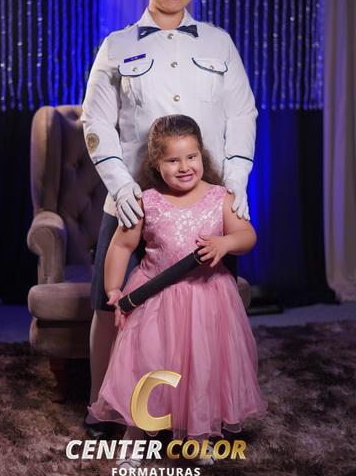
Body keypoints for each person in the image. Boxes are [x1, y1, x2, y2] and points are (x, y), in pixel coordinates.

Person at [81, 0, 258, 435]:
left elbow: (242, 113)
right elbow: (96, 121)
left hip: (205, 201)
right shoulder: (117, 46)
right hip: (132, 201)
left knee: (212, 310)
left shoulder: (219, 42)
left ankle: (209, 407)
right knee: (108, 305)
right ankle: (104, 405)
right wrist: (120, 187)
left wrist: (237, 181)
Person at [87, 115, 267, 468]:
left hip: (207, 299)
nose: (184, 167)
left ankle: (198, 438)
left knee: (203, 368)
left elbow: (247, 236)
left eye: (191, 157)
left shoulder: (220, 197)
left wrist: (225, 242)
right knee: (147, 368)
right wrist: (113, 288)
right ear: (156, 163)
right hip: (154, 299)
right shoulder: (147, 201)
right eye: (173, 160)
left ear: (202, 155)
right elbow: (121, 246)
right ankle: (135, 439)